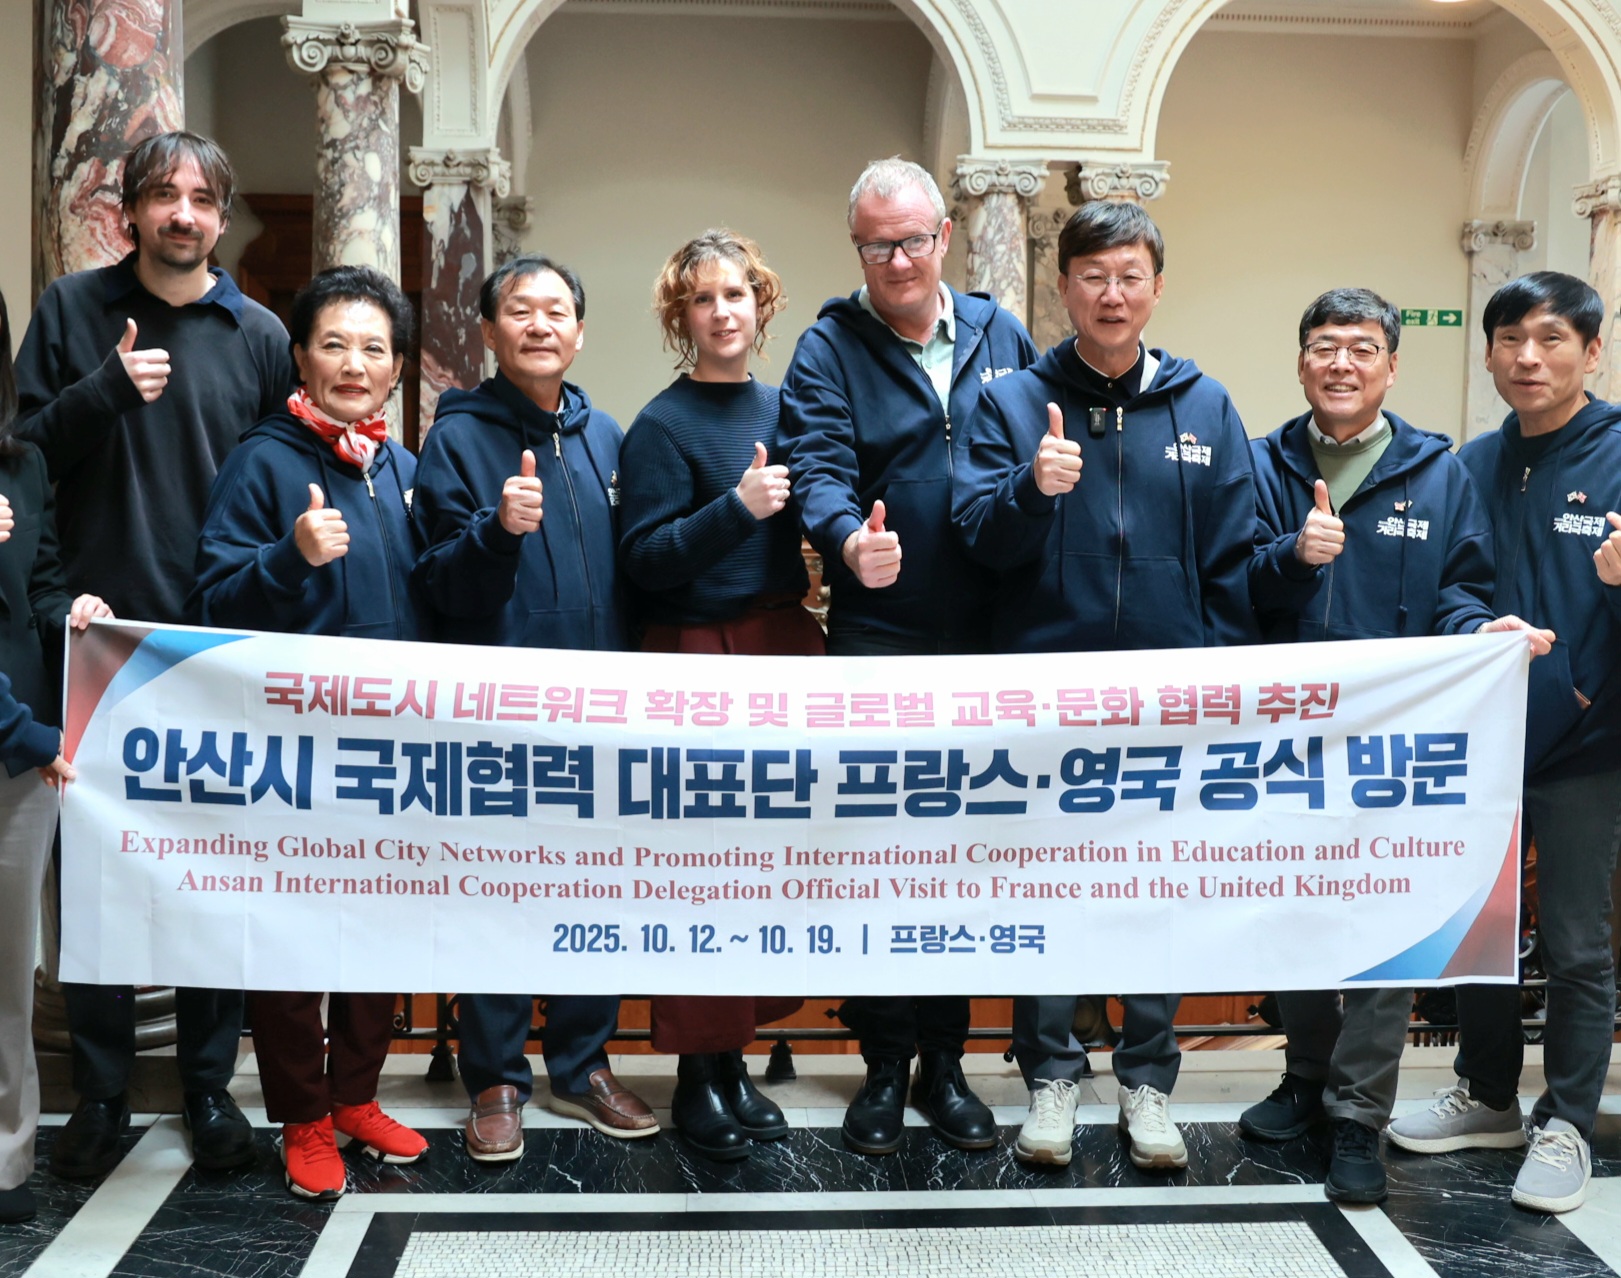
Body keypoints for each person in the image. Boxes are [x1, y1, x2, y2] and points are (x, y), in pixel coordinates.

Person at [953, 199, 1255, 1172]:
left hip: (1165, 702)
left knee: (1152, 889)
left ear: (1156, 288)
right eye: (1093, 276)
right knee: (1048, 887)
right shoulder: (1010, 402)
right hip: (1047, 699)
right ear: (1063, 287)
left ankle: (1147, 1081)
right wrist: (1029, 489)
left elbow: (1233, 560)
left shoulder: (1205, 406)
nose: (1111, 294)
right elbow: (975, 538)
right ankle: (1048, 1074)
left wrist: (1217, 691)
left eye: (1129, 276)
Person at [14, 130, 292, 1179]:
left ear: (222, 215)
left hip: (218, 637)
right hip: (94, 637)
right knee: (96, 876)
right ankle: (100, 1094)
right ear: (127, 209)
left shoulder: (259, 332)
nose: (183, 213)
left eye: (202, 198)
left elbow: (278, 473)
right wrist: (104, 389)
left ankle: (211, 1087)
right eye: (163, 195)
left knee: (213, 874)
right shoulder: (70, 311)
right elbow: (22, 458)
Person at [1240, 287, 1551, 1205]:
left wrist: (1480, 634)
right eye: (1324, 345)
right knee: (1293, 914)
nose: (1341, 363)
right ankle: (1305, 1073)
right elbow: (1228, 587)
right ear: (1301, 361)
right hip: (1286, 739)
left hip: (1395, 744)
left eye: (1362, 347)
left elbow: (1459, 591)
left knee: (1381, 925)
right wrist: (1291, 557)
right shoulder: (1257, 463)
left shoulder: (1438, 474)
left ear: (1390, 365)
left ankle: (1357, 1115)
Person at [779, 156, 1037, 1157]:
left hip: (988, 633)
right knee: (879, 857)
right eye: (877, 245)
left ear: (945, 239)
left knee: (962, 859)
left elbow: (1027, 458)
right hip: (879, 636)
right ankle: (885, 1064)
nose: (897, 260)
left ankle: (947, 1063)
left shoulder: (1000, 334)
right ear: (858, 249)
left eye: (913, 240)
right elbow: (818, 466)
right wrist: (848, 541)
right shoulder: (827, 346)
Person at [189, 266, 427, 1200]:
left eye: (373, 348)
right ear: (300, 356)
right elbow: (212, 599)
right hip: (292, 748)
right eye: (334, 344)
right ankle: (301, 1116)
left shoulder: (400, 469)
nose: (354, 364)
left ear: (396, 368)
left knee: (379, 928)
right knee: (291, 939)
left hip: (392, 748)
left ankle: (355, 1097)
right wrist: (289, 556)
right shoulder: (262, 461)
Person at [1385, 271, 1621, 1215]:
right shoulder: (1470, 465)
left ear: (1590, 351)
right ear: (1486, 354)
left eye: (1551, 339)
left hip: (1587, 742)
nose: (1528, 357)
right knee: (1478, 934)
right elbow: (1448, 585)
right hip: (1482, 743)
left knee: (1574, 943)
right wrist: (1473, 626)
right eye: (1510, 339)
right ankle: (1486, 1096)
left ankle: (1565, 1123)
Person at [413, 254, 655, 1161]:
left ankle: (582, 1065)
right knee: (501, 893)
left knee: (596, 888)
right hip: (502, 712)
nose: (540, 325)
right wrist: (497, 531)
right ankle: (495, 1078)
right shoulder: (456, 439)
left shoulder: (607, 437)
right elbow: (437, 582)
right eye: (520, 311)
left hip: (603, 713)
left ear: (580, 333)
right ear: (489, 331)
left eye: (557, 311)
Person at [617, 230, 815, 1161]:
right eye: (701, 298)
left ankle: (734, 1058)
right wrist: (736, 508)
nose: (721, 310)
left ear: (759, 304)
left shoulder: (787, 409)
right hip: (695, 656)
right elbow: (644, 560)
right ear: (680, 316)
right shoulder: (660, 426)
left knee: (770, 870)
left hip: (779, 648)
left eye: (735, 294)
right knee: (702, 873)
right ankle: (698, 1070)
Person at [0, 291, 109, 1224]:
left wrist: (71, 614)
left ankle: (5, 1158)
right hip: (20, 738)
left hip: (19, 759)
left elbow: (36, 587)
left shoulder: (22, 464)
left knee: (8, 969)